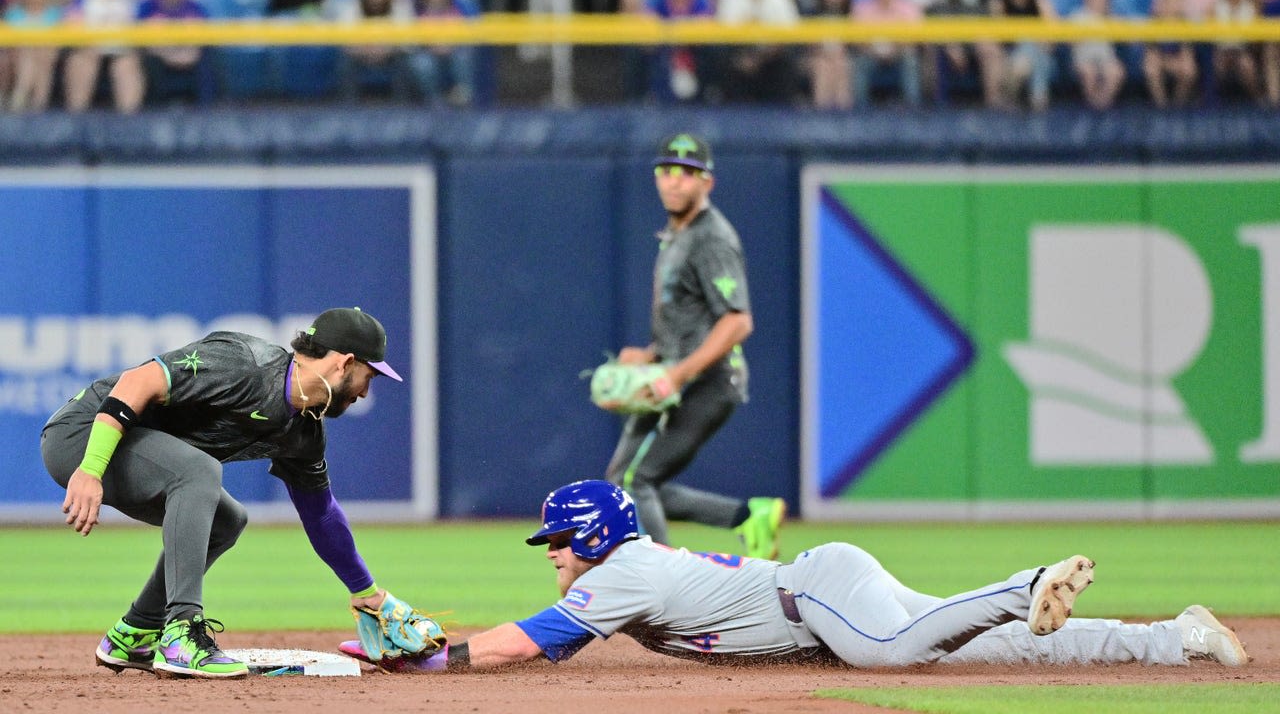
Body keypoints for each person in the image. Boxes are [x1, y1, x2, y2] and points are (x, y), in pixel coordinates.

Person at [339, 479, 1251, 671]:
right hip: (815, 593)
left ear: (592, 536)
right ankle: (1179, 635)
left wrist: (436, 660)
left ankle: (1027, 580)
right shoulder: (623, 568)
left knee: (892, 656)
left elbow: (524, 645)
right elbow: (557, 645)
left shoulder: (619, 571)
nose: (554, 553)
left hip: (813, 596)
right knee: (1016, 650)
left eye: (557, 540)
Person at [41, 307, 423, 679]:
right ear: (345, 362)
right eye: (368, 376)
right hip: (82, 435)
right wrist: (91, 469)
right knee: (198, 471)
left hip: (126, 450)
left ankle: (135, 633)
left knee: (227, 521)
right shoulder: (245, 363)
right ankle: (182, 634)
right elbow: (138, 381)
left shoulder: (304, 430)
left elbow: (321, 515)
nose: (365, 391)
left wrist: (366, 592)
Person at [603, 133, 785, 561]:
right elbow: (691, 319)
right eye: (666, 172)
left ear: (708, 182)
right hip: (676, 374)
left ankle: (663, 590)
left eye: (687, 173)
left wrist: (676, 373)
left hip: (708, 380)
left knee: (635, 481)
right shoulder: (677, 234)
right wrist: (651, 356)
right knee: (623, 482)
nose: (674, 182)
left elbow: (738, 321)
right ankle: (746, 515)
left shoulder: (711, 239)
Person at [62, 0, 146, 113]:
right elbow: (70, 24)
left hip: (122, 50)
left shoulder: (131, 0)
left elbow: (143, 24)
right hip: (89, 48)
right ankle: (76, 115)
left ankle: (128, 119)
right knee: (80, 61)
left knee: (126, 65)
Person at [1070, 0, 1126, 110]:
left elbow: (1126, 40)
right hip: (1083, 58)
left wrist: (1111, 19)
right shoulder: (1077, 16)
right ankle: (1091, 104)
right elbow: (1071, 42)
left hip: (1106, 59)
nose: (1099, 2)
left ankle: (1103, 103)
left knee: (1116, 71)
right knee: (1089, 72)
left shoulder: (1110, 17)